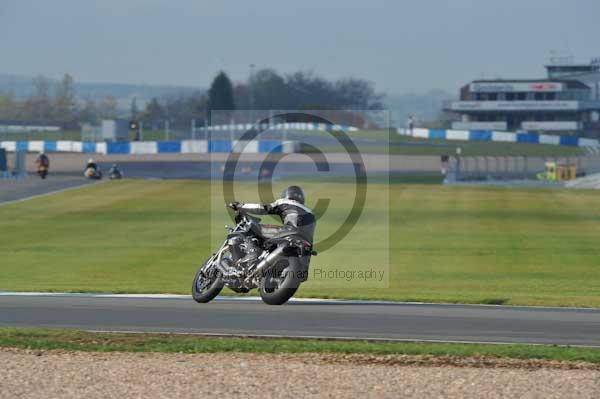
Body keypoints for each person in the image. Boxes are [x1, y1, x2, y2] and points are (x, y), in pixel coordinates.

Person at [231, 186, 316, 264]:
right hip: (306, 242)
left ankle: (252, 252)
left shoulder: (285, 202)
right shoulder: (311, 213)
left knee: (251, 226)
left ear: (287, 194)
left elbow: (263, 209)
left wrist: (241, 206)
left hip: (290, 232)